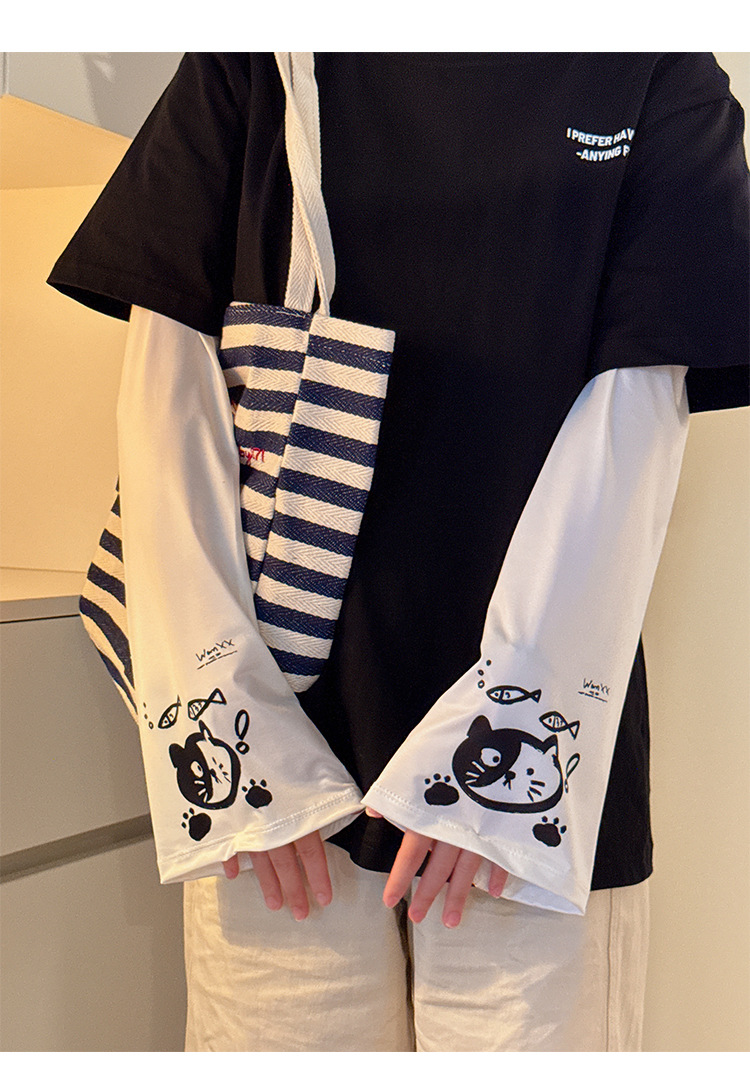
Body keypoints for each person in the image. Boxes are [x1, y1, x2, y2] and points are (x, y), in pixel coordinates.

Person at [48, 52, 749, 1052]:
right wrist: (238, 737)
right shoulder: (260, 52)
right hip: (285, 745)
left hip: (534, 758)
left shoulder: (650, 65)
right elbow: (168, 395)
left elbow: (634, 425)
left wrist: (505, 747)